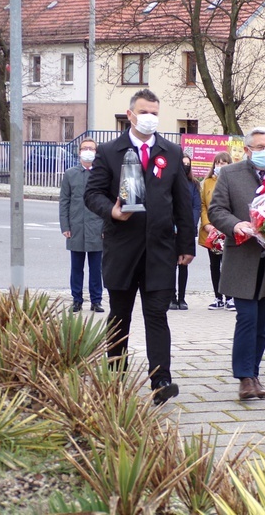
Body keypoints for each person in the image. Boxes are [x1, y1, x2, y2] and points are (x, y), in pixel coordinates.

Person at [84, 89, 196, 405]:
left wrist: (186, 243)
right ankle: (115, 381)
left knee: (157, 316)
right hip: (122, 250)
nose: (150, 118)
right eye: (145, 111)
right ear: (130, 114)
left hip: (160, 252)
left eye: (155, 112)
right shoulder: (109, 151)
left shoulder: (171, 152)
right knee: (120, 317)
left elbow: (182, 202)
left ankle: (161, 381)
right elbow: (92, 195)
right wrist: (112, 211)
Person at [208, 127, 265, 400]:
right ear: (247, 150)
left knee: (262, 323)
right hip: (243, 257)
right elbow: (216, 210)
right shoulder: (230, 174)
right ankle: (244, 378)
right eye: (259, 147)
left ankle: (255, 374)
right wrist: (237, 225)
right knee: (247, 318)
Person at [59, 137, 104, 313]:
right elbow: (64, 201)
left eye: (91, 148)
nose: (88, 151)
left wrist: (106, 227)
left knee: (96, 268)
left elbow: (107, 202)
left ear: (96, 152)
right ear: (79, 152)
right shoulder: (70, 174)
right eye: (85, 148)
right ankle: (76, 300)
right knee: (76, 268)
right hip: (76, 227)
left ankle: (96, 300)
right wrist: (65, 226)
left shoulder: (101, 174)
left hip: (96, 227)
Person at [198, 151, 235, 311]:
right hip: (211, 231)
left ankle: (231, 297)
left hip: (228, 230)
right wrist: (207, 224)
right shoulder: (207, 183)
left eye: (224, 163)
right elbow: (203, 205)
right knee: (214, 265)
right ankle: (218, 297)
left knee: (229, 265)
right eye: (218, 163)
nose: (220, 166)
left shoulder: (234, 181)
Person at [170, 154, 201, 310]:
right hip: (171, 229)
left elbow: (196, 206)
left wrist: (190, 223)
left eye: (188, 164)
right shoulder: (170, 183)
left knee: (183, 264)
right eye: (183, 164)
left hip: (186, 229)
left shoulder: (193, 184)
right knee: (170, 265)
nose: (185, 166)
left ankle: (182, 298)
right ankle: (172, 297)